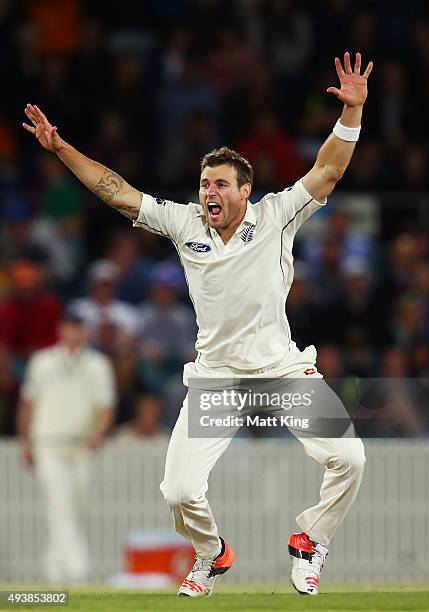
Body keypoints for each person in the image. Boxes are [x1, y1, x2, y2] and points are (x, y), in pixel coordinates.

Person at [23, 51, 373, 597]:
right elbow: (115, 189)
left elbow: (327, 169)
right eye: (204, 183)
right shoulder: (184, 223)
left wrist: (350, 114)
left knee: (350, 458)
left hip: (281, 369)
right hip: (216, 378)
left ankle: (311, 539)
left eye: (218, 185)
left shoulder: (277, 215)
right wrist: (62, 147)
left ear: (243, 191)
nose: (207, 192)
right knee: (179, 491)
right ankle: (212, 554)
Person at [17, 313, 116, 584]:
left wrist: (97, 435)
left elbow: (105, 407)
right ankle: (77, 571)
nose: (74, 333)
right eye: (69, 328)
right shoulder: (42, 362)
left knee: (75, 508)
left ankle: (52, 570)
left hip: (81, 445)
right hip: (47, 442)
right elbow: (28, 404)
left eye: (79, 328)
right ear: (61, 330)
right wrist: (26, 442)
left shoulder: (98, 365)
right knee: (60, 506)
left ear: (84, 332)